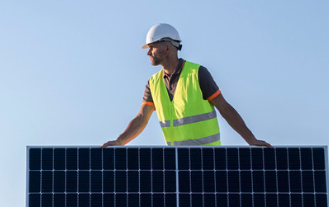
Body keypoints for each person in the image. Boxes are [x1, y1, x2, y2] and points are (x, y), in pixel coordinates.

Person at [103, 23, 272, 148]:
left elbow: (225, 108)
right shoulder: (153, 83)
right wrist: (120, 141)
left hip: (209, 161)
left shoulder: (197, 73)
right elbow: (141, 118)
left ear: (167, 48)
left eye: (152, 47)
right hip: (179, 162)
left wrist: (251, 140)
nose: (148, 52)